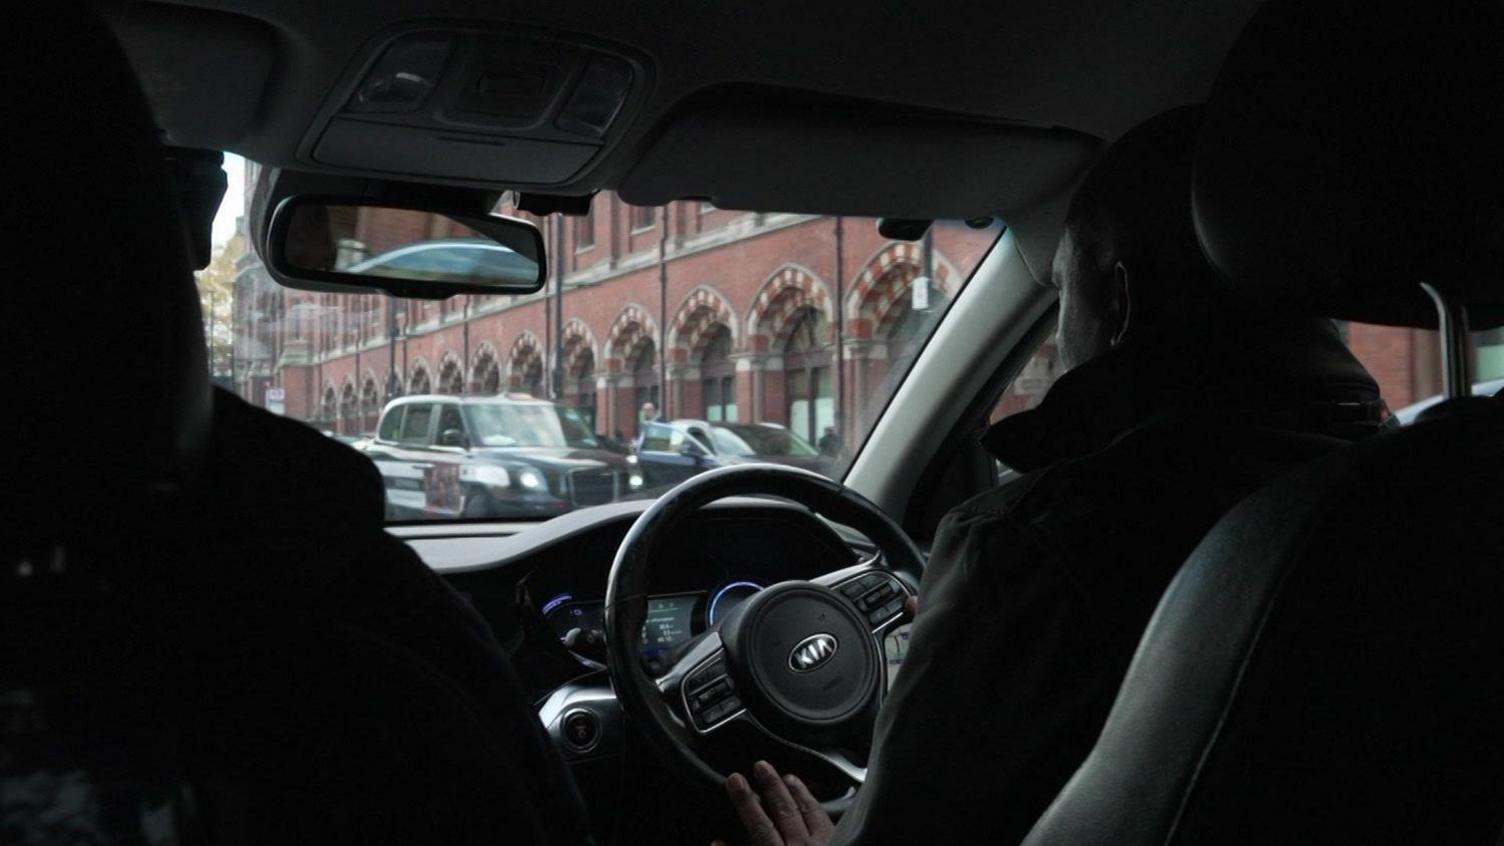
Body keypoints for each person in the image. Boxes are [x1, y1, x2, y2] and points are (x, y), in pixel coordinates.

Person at [715, 106, 1386, 845]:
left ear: (1120, 305)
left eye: (1065, 294)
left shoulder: (1035, 551)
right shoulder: (1431, 491)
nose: (1061, 335)